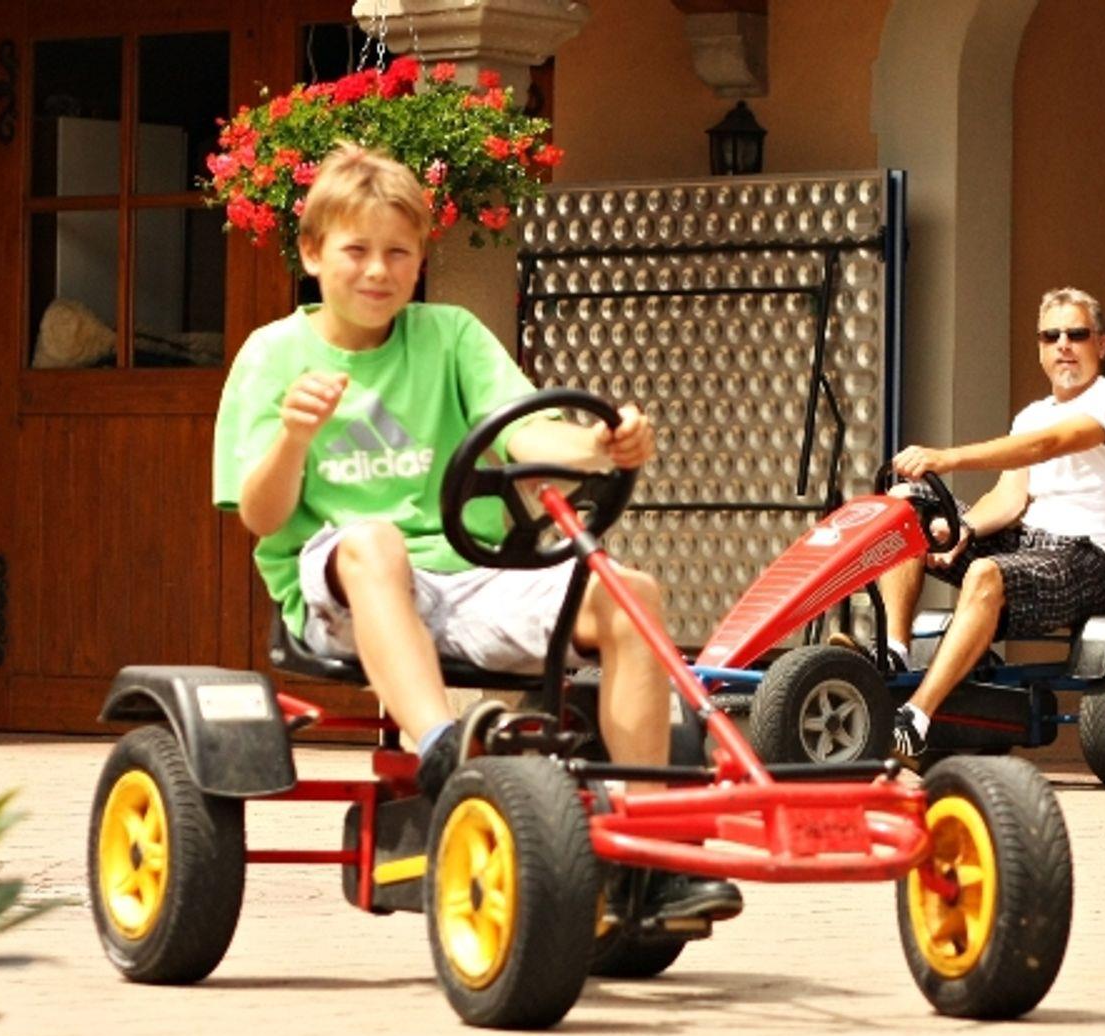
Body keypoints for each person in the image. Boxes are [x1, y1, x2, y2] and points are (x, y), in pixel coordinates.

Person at [213, 144, 739, 923]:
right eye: (357, 251)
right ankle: (441, 753)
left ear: (421, 259)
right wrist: (294, 436)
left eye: (399, 253)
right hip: (341, 591)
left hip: (468, 577)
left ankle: (646, 854)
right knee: (375, 541)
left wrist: (602, 445)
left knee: (631, 593)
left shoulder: (449, 336)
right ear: (313, 252)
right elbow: (260, 516)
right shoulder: (274, 355)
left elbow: (528, 436)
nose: (378, 271)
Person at [874, 286, 1105, 760]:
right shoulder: (1031, 415)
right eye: (1051, 336)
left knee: (987, 573)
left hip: (1092, 559)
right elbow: (1008, 498)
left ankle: (916, 718)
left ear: (1101, 344)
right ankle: (894, 654)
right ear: (1040, 347)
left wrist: (947, 458)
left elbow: (1046, 445)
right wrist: (963, 530)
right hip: (1028, 545)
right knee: (905, 507)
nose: (1063, 345)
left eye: (1077, 334)